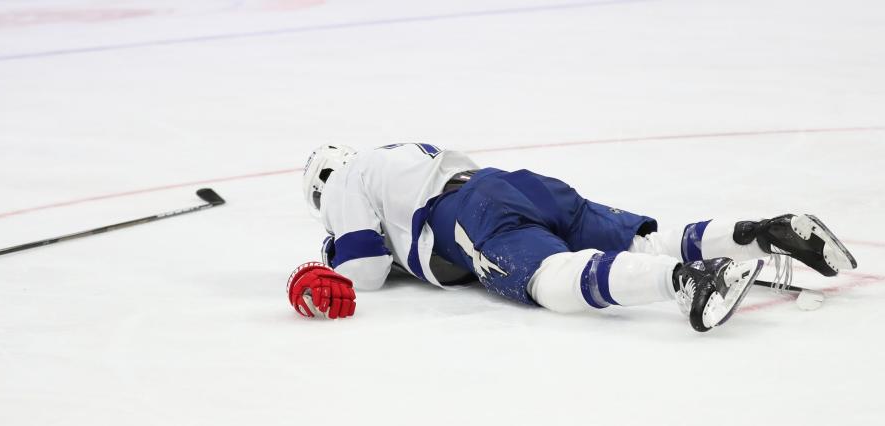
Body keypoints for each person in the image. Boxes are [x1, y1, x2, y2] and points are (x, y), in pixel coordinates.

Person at [286, 143, 857, 331]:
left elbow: (362, 269)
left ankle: (687, 281)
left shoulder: (343, 183)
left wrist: (322, 264)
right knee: (640, 242)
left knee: (548, 278)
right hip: (517, 185)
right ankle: (760, 234)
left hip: (466, 212)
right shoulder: (396, 155)